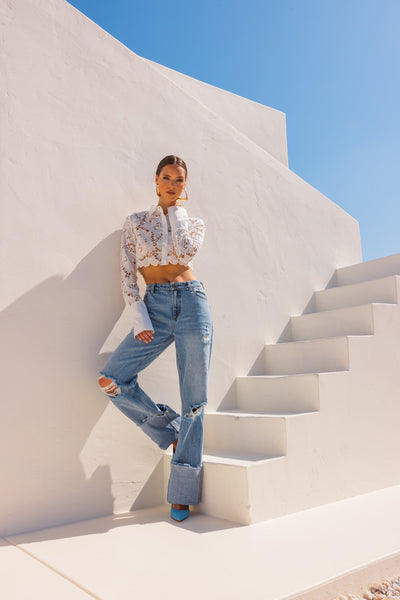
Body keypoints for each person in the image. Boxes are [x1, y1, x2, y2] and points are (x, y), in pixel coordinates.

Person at [98, 155, 213, 522]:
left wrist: (174, 211)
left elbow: (185, 252)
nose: (172, 184)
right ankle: (172, 430)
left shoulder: (193, 224)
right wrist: (140, 315)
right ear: (156, 180)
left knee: (195, 400)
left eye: (179, 181)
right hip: (157, 307)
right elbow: (128, 273)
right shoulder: (135, 223)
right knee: (112, 379)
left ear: (184, 186)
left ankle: (182, 492)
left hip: (194, 302)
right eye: (166, 178)